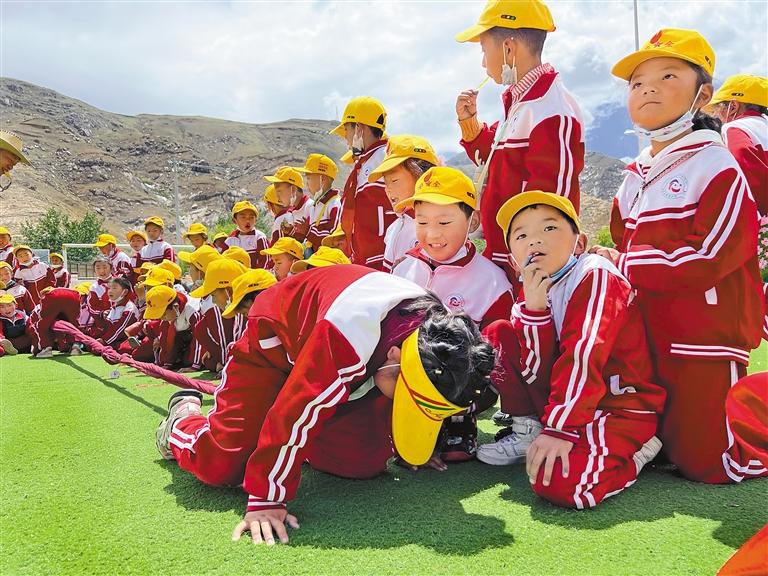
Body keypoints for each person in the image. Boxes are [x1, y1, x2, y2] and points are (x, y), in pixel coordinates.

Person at [154, 264, 495, 544]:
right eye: (404, 396)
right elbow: (295, 411)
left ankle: (300, 446)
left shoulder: (442, 339)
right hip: (274, 352)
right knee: (223, 464)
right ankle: (182, 422)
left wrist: (418, 439)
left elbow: (427, 391)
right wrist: (268, 497)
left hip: (347, 367)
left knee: (360, 464)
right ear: (395, 355)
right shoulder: (349, 332)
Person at [603, 29, 765, 483]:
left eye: (668, 76)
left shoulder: (717, 164)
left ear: (703, 95)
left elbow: (713, 255)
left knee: (707, 463)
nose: (647, 89)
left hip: (701, 339)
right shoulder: (633, 176)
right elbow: (622, 243)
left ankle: (756, 403)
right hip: (645, 337)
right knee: (655, 446)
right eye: (637, 83)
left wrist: (626, 265)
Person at [478, 191, 666, 509]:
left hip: (617, 406)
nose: (535, 240)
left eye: (549, 228)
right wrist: (536, 311)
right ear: (513, 260)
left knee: (557, 483)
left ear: (579, 243)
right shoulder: (531, 291)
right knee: (497, 333)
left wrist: (561, 429)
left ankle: (639, 449)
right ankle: (528, 430)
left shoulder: (595, 274)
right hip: (571, 403)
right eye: (521, 235)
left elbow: (585, 352)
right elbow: (536, 373)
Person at [455, 0, 584, 280]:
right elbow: (496, 161)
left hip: (526, 270)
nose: (483, 62)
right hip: (505, 260)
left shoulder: (551, 109)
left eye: (484, 50)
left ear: (508, 49)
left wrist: (532, 272)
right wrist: (470, 123)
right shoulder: (522, 102)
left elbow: (551, 200)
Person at [392, 167, 514, 328]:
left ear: (473, 222)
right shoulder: (402, 269)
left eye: (444, 223)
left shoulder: (494, 286)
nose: (432, 234)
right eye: (422, 222)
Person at [330, 96, 394, 269]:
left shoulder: (384, 157)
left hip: (382, 258)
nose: (345, 137)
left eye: (346, 130)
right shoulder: (367, 161)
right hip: (367, 257)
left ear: (359, 128)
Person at [368, 135, 438, 272]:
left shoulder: (440, 232)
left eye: (394, 180)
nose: (388, 189)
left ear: (423, 177)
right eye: (385, 182)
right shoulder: (392, 229)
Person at [706, 74, 767, 217]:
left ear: (733, 106)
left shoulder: (734, 127)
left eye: (717, 108)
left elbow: (741, 159)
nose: (717, 115)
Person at [188, 258, 248, 372]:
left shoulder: (247, 309)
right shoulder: (239, 310)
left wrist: (228, 365)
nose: (213, 301)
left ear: (228, 291)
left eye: (214, 295)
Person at [143, 285, 203, 372]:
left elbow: (199, 338)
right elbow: (165, 341)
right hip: (185, 337)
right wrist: (166, 364)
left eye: (163, 314)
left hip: (202, 339)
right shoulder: (168, 316)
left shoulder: (191, 310)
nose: (161, 318)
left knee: (188, 361)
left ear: (175, 307)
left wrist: (195, 366)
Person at [295, 154, 342, 252]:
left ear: (322, 179)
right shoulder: (315, 205)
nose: (306, 183)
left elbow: (333, 235)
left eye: (309, 178)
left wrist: (308, 231)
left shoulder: (335, 203)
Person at [27, 286, 82, 358]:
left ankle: (46, 349)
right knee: (73, 323)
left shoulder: (41, 305)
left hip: (55, 296)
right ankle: (76, 346)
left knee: (41, 325)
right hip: (74, 295)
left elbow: (37, 326)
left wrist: (38, 347)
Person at [265, 167, 312, 247]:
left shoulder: (310, 207)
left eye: (279, 191)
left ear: (293, 189)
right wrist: (292, 232)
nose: (277, 196)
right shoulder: (293, 212)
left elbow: (315, 244)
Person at [90, 277, 139, 350]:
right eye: (109, 288)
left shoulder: (129, 309)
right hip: (113, 340)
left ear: (125, 292)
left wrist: (104, 340)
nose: (110, 291)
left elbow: (120, 329)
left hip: (123, 339)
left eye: (114, 288)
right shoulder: (113, 308)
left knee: (124, 348)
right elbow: (107, 328)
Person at [225, 201, 269, 269]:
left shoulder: (259, 237)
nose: (248, 221)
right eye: (243, 217)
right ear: (234, 220)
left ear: (256, 220)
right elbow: (223, 260)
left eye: (251, 217)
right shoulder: (230, 240)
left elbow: (266, 260)